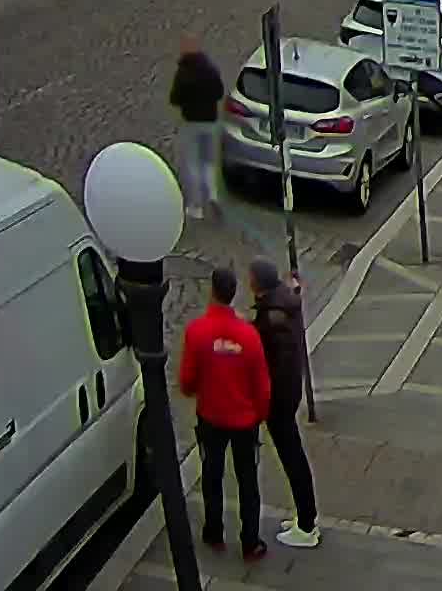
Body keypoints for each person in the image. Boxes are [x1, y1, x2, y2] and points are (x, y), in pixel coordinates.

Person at [179, 264, 271, 562]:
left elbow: (186, 382)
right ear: (234, 294)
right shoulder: (248, 335)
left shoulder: (197, 332)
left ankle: (214, 532)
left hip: (211, 417)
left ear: (211, 291)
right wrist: (258, 414)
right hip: (244, 421)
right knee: (248, 481)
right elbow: (262, 386)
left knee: (212, 475)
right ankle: (250, 541)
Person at [248, 261, 321, 548]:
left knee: (292, 457)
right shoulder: (283, 302)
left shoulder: (272, 317)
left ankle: (306, 525)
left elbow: (269, 355)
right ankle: (305, 517)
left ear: (258, 285)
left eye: (250, 279)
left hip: (280, 398)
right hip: (289, 392)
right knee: (294, 456)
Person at [167, 38, 225, 215]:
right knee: (208, 162)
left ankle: (196, 206)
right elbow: (219, 92)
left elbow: (174, 99)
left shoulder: (183, 74)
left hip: (191, 123)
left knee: (192, 164)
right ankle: (213, 195)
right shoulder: (210, 70)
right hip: (210, 121)